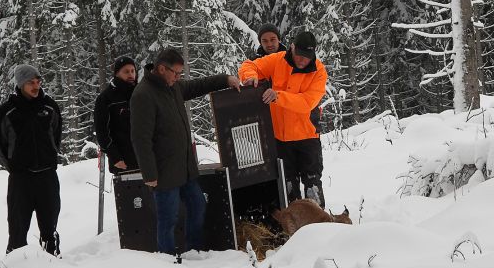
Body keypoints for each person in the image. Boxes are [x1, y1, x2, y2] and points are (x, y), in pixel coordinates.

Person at [129, 48, 242, 256]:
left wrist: (226, 79)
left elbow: (199, 85)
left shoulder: (173, 87)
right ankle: (168, 260)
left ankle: (194, 251)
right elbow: (140, 138)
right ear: (162, 69)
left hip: (185, 167)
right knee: (168, 219)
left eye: (180, 74)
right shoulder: (143, 95)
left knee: (198, 205)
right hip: (163, 172)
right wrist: (150, 174)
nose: (179, 77)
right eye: (176, 73)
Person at [239, 31, 328, 208]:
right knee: (288, 186)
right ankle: (293, 229)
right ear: (292, 48)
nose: (302, 60)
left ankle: (320, 226)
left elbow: (306, 103)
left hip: (307, 135)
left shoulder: (319, 71)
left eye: (307, 57)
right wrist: (250, 77)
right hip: (280, 138)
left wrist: (278, 96)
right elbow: (249, 65)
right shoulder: (277, 60)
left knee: (313, 184)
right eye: (299, 56)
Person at [0, 64, 63, 256]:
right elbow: (1, 145)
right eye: (30, 82)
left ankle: (53, 262)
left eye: (38, 82)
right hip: (21, 180)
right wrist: (16, 167)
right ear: (20, 84)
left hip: (47, 177)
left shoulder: (50, 107)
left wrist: (49, 158)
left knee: (50, 228)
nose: (36, 86)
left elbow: (56, 137)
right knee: (17, 230)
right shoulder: (6, 112)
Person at [94, 56, 139, 175]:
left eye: (132, 71)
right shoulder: (106, 98)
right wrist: (115, 157)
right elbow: (102, 132)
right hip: (123, 164)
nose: (130, 74)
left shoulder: (141, 94)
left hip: (147, 163)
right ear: (117, 73)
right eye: (126, 71)